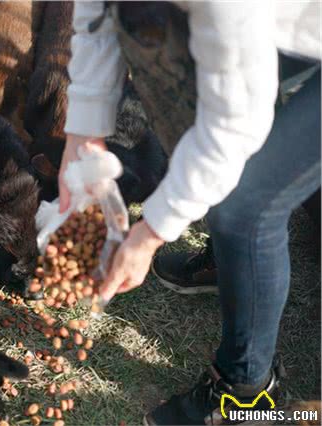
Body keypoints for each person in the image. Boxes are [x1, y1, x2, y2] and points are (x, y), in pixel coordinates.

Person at [60, 2, 321, 425]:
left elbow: (233, 131)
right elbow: (96, 19)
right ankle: (235, 264)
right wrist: (83, 136)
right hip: (274, 22)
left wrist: (150, 234)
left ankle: (244, 392)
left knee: (245, 207)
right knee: (200, 108)